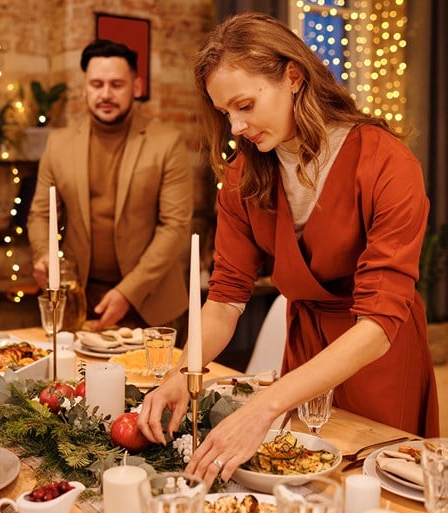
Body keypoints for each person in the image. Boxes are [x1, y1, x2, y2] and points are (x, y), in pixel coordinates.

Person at [138, 12, 440, 487]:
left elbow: (381, 321)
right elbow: (224, 300)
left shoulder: (386, 161)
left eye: (244, 105)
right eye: (225, 114)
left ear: (293, 77)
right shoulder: (243, 175)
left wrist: (267, 402)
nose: (235, 127)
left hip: (378, 355)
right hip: (304, 351)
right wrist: (182, 373)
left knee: (376, 492)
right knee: (301, 482)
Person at [27, 39, 193, 331]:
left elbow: (175, 227)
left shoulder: (167, 143)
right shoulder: (59, 143)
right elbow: (41, 213)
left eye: (116, 84)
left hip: (150, 304)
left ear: (136, 87)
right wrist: (44, 256)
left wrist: (129, 292)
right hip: (78, 300)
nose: (105, 94)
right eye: (97, 84)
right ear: (85, 88)